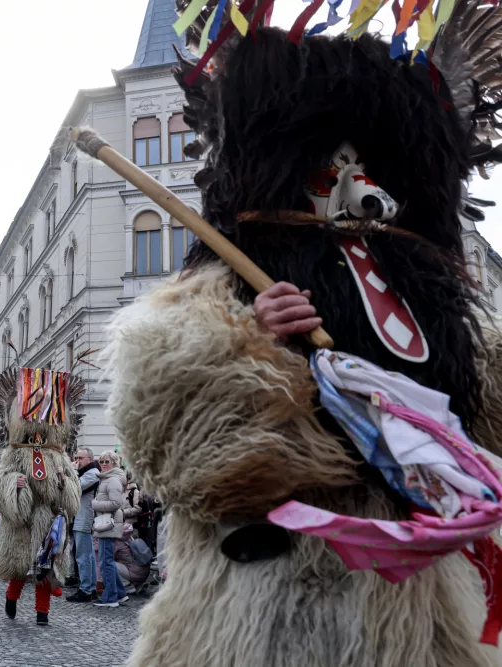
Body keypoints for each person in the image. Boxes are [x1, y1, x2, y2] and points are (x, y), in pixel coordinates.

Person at [102, 3, 502, 663]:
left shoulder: (430, 302)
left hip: (398, 607)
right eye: (329, 172)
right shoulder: (215, 293)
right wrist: (249, 341)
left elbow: (481, 425)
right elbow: (163, 440)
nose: (357, 193)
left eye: (370, 170)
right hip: (255, 593)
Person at [0, 365, 82, 627]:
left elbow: (74, 495)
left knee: (45, 571)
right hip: (22, 521)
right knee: (19, 567)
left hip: (49, 521)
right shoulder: (14, 453)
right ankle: (11, 597)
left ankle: (42, 613)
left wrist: (64, 485)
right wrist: (12, 484)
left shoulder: (59, 455)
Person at [92, 451, 127, 608]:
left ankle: (110, 598)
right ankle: (119, 593)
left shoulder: (112, 480)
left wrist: (95, 504)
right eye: (101, 461)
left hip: (108, 524)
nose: (103, 464)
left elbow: (116, 503)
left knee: (106, 562)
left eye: (107, 461)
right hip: (107, 523)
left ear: (114, 463)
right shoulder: (108, 478)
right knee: (108, 561)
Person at [65, 447, 100, 603]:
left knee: (83, 555)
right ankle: (89, 587)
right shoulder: (86, 472)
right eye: (76, 457)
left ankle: (86, 589)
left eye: (80, 458)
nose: (77, 461)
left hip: (84, 518)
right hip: (79, 517)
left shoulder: (92, 474)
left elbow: (75, 488)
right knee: (87, 554)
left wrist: (70, 472)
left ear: (89, 460)